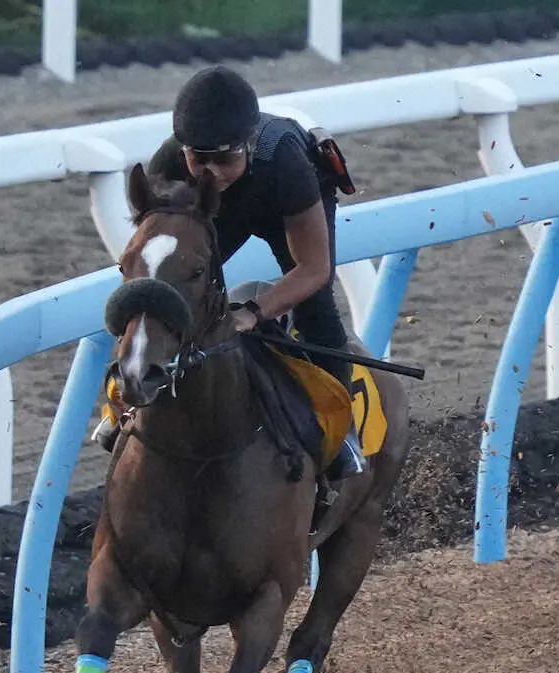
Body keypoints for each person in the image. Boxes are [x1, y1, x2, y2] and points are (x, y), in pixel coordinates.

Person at [95, 64, 367, 482]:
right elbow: (156, 257)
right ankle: (127, 400)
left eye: (223, 159)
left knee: (316, 311)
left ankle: (342, 434)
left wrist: (253, 313)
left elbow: (313, 268)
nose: (210, 172)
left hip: (283, 204)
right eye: (198, 159)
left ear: (248, 142)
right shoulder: (170, 164)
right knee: (182, 288)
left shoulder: (285, 161)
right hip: (209, 210)